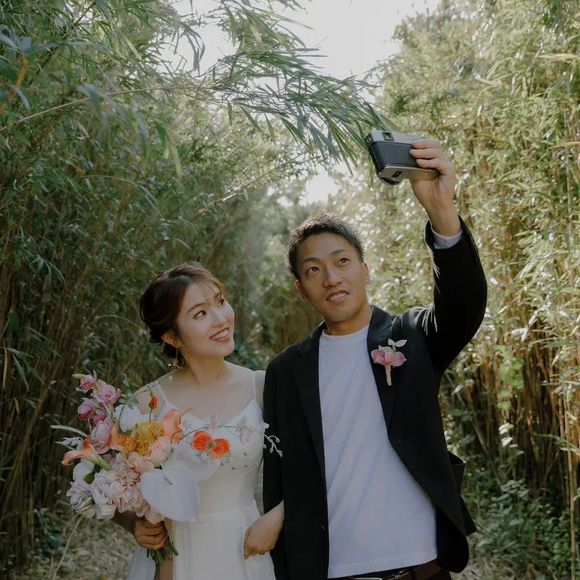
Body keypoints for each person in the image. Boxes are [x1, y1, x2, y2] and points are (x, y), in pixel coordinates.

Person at [263, 139, 487, 580]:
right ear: (301, 290)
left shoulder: (412, 337)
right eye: (313, 270)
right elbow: (281, 477)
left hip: (424, 567)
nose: (331, 277)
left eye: (342, 261)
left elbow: (463, 303)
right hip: (335, 571)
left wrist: (441, 212)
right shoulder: (286, 371)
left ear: (364, 270)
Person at [115, 264, 284, 580]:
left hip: (244, 547)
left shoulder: (261, 387)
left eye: (220, 302)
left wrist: (278, 517)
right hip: (173, 557)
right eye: (200, 314)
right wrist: (133, 523)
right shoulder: (146, 403)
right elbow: (111, 485)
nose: (221, 319)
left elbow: (310, 468)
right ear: (171, 336)